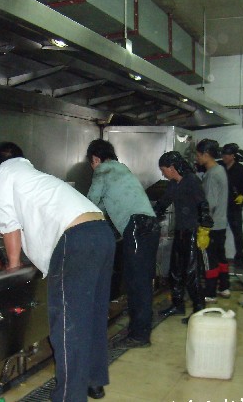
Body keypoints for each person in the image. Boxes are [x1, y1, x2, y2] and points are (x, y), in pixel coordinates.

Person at [0, 142, 115, 402]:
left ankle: (69, 397)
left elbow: (10, 224)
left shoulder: (3, 174)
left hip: (74, 241)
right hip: (100, 233)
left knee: (68, 326)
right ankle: (94, 381)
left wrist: (12, 266)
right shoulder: (31, 176)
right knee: (93, 315)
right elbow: (6, 219)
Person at [86, 139, 160, 348]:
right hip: (149, 226)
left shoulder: (103, 170)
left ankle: (139, 335)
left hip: (137, 228)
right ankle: (139, 328)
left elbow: (89, 204)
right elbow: (103, 204)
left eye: (91, 163)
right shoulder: (121, 168)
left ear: (95, 159)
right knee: (141, 280)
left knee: (137, 282)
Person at [154, 151, 213, 324]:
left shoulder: (192, 181)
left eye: (163, 170)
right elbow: (164, 202)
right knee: (176, 271)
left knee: (192, 273)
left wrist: (204, 229)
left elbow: (203, 204)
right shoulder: (174, 184)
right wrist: (151, 216)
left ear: (172, 168)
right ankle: (177, 305)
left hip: (193, 232)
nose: (163, 173)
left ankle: (199, 310)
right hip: (180, 232)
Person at [196, 139, 229, 302]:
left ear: (206, 154)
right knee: (221, 257)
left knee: (209, 259)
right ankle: (224, 287)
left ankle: (210, 293)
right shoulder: (220, 169)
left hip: (212, 226)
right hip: (221, 223)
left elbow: (210, 204)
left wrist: (204, 226)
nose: (196, 158)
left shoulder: (211, 174)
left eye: (198, 155)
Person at [220, 143, 243, 269]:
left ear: (233, 156)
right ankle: (219, 258)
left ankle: (240, 258)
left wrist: (242, 195)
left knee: (238, 234)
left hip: (234, 207)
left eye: (227, 155)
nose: (224, 157)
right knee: (219, 234)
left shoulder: (241, 169)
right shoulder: (219, 166)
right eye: (223, 155)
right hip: (220, 206)